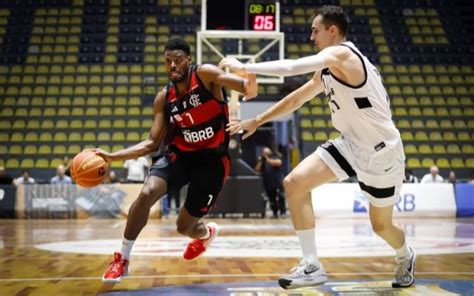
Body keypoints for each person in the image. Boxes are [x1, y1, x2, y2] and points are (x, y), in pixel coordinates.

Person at [220, 5, 415, 289]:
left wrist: (245, 67)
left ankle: (405, 254)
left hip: (381, 152)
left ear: (332, 31)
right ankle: (312, 265)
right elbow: (299, 97)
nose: (312, 35)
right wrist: (258, 119)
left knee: (381, 226)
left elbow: (291, 67)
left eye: (316, 30)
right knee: (295, 182)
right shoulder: (328, 67)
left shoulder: (343, 54)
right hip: (350, 144)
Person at [94, 37, 257, 283]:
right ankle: (122, 258)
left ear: (188, 60)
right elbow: (151, 143)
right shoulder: (164, 97)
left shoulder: (206, 75)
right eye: (167, 61)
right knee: (147, 193)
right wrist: (111, 156)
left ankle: (205, 234)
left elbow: (248, 88)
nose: (172, 66)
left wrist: (243, 71)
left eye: (177, 60)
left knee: (184, 227)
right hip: (180, 156)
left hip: (212, 162)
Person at [255, 146, 286, 218]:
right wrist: (261, 161)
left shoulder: (274, 157)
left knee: (281, 196)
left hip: (277, 181)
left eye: (266, 152)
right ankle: (275, 213)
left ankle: (283, 212)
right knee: (272, 199)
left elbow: (278, 163)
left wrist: (267, 159)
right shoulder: (262, 161)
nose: (265, 153)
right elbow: (257, 169)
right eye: (264, 152)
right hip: (268, 183)